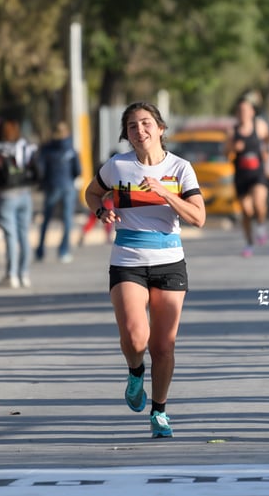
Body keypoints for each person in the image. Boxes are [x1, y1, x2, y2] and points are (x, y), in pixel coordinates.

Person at [83, 101, 205, 438]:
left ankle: (160, 411)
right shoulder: (117, 166)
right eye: (133, 126)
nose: (140, 131)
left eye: (146, 123)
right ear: (127, 134)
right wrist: (100, 211)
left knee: (163, 346)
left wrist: (166, 194)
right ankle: (135, 372)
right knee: (136, 337)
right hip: (127, 260)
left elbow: (198, 217)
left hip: (169, 262)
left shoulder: (181, 168)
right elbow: (92, 192)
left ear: (161, 129)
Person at [0, 118, 39, 288]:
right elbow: (36, 171)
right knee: (23, 234)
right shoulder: (25, 147)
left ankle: (11, 275)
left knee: (10, 236)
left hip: (5, 195)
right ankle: (24, 274)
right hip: (25, 193)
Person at [226, 95, 269, 257]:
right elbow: (226, 152)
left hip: (257, 174)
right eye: (240, 111)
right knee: (245, 210)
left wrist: (266, 152)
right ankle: (249, 243)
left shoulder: (260, 126)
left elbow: (268, 141)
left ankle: (261, 226)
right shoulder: (233, 131)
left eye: (245, 110)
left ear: (252, 112)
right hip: (241, 176)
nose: (243, 113)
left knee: (259, 203)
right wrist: (233, 148)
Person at [35, 121, 81, 263]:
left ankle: (41, 250)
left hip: (52, 186)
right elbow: (77, 170)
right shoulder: (71, 149)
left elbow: (40, 169)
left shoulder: (47, 149)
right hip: (68, 186)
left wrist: (44, 182)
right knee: (67, 220)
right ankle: (64, 250)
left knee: (47, 219)